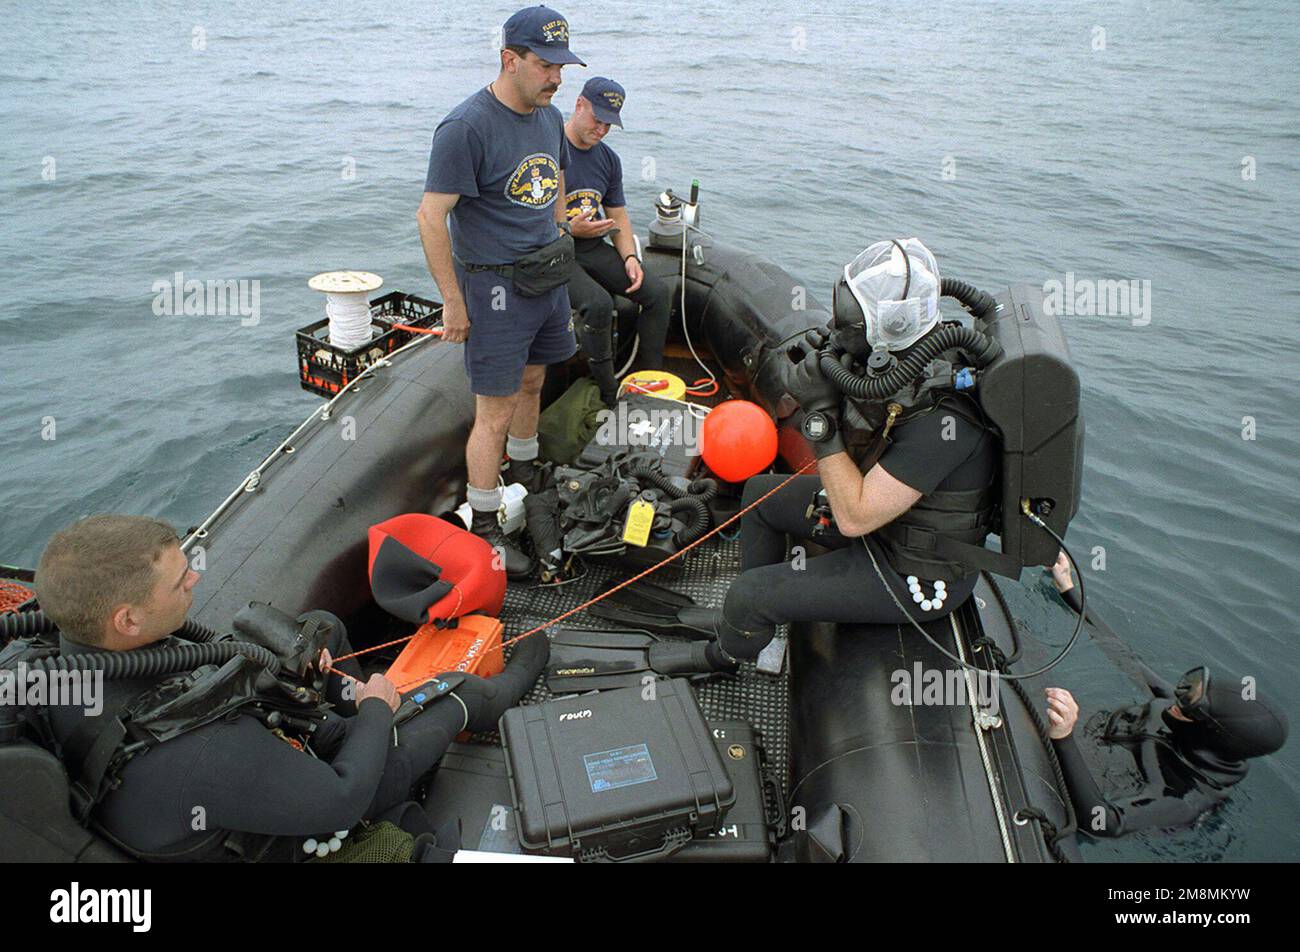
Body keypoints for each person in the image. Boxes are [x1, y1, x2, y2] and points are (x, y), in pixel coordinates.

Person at [23, 514, 544, 862]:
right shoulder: (198, 750)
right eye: (179, 581)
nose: (195, 581)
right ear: (128, 620)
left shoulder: (64, 666)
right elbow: (339, 798)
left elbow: (220, 676)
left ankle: (359, 710)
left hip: (254, 765)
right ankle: (533, 658)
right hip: (305, 813)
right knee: (458, 693)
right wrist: (376, 712)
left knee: (321, 625)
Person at [685, 239, 1000, 663]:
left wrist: (819, 414)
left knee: (749, 594)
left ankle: (725, 655)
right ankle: (748, 621)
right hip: (890, 525)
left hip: (913, 571)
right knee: (760, 495)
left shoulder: (945, 422)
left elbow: (853, 517)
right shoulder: (911, 360)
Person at [417, 5, 587, 578]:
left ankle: (527, 468)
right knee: (492, 411)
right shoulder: (465, 128)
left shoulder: (549, 115)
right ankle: (487, 520)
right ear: (509, 59)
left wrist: (561, 228)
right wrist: (454, 300)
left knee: (536, 380)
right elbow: (429, 217)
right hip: (494, 290)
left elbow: (557, 177)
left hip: (547, 277)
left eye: (562, 66)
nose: (556, 77)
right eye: (544, 65)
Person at [1043, 556, 1288, 838]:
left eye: (1188, 706)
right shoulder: (1180, 708)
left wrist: (1063, 738)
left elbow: (1103, 823)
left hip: (1102, 772)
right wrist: (1068, 589)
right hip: (1108, 735)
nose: (1177, 699)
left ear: (1208, 733)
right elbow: (1125, 657)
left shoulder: (1185, 797)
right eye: (1189, 689)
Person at [561, 76, 671, 405]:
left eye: (610, 124)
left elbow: (618, 216)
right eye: (598, 120)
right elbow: (528, 218)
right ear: (579, 105)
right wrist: (569, 229)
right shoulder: (549, 149)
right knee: (598, 304)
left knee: (657, 293)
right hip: (557, 250)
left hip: (592, 245)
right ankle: (610, 394)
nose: (602, 130)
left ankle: (651, 381)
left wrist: (630, 259)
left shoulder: (608, 160)